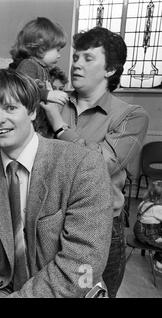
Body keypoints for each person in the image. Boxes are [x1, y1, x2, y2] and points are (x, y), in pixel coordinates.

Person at [0, 69, 113, 298]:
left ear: (32, 111)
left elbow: (84, 261)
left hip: (70, 289)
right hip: (2, 285)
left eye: (10, 108)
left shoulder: (81, 164)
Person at [41, 27, 150, 297]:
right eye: (76, 57)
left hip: (99, 227)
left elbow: (101, 164)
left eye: (88, 58)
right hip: (48, 221)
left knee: (90, 292)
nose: (76, 63)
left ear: (110, 69)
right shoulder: (53, 101)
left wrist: (59, 128)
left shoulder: (131, 115)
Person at [9, 17, 69, 138]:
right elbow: (23, 90)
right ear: (41, 48)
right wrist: (48, 95)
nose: (59, 55)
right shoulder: (28, 64)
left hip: (40, 125)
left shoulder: (44, 69)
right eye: (57, 50)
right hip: (28, 126)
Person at [134, 180, 162, 273]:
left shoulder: (143, 203)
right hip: (149, 236)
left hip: (139, 233)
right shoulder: (158, 208)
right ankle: (159, 262)